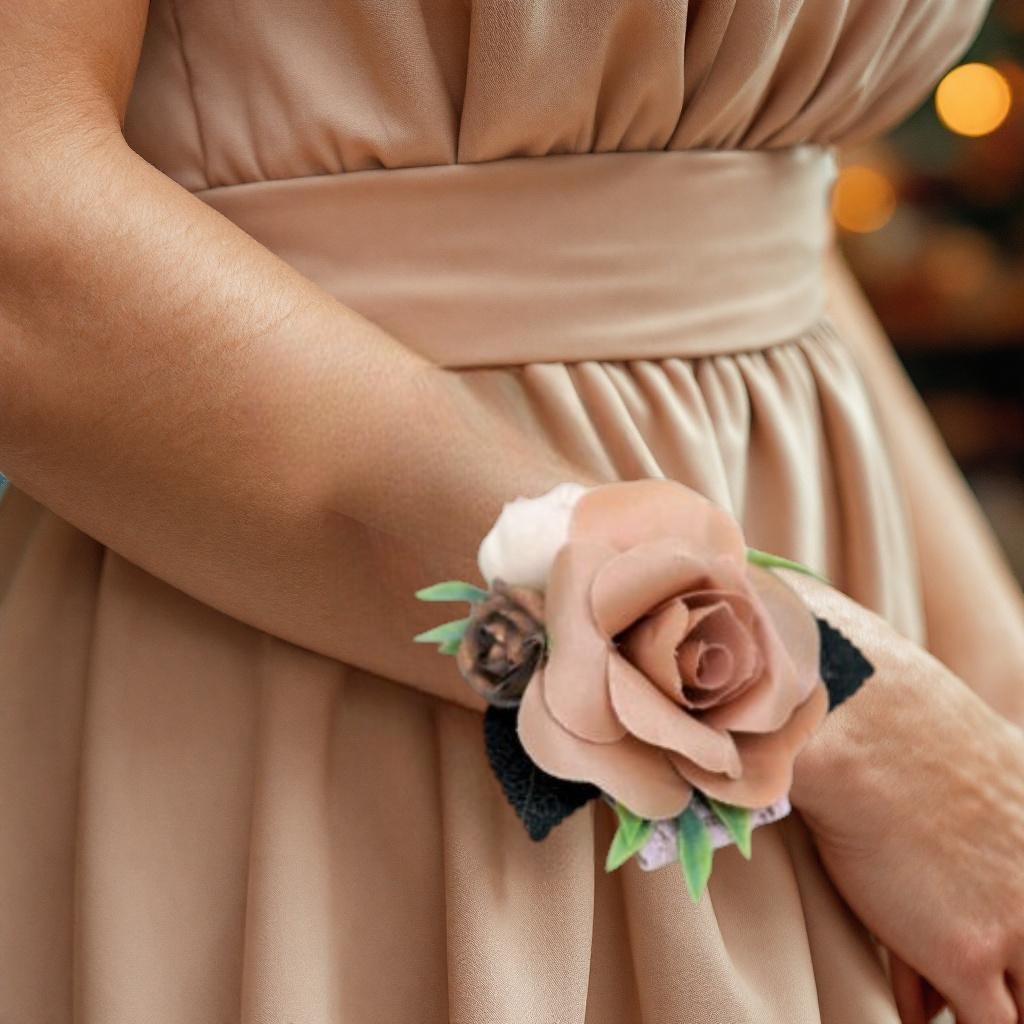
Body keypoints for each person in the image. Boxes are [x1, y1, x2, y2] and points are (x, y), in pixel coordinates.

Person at [1, 1, 1021, 1021]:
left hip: (867, 735)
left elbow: (745, 202)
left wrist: (975, 702)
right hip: (314, 716)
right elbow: (23, 229)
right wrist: (837, 711)